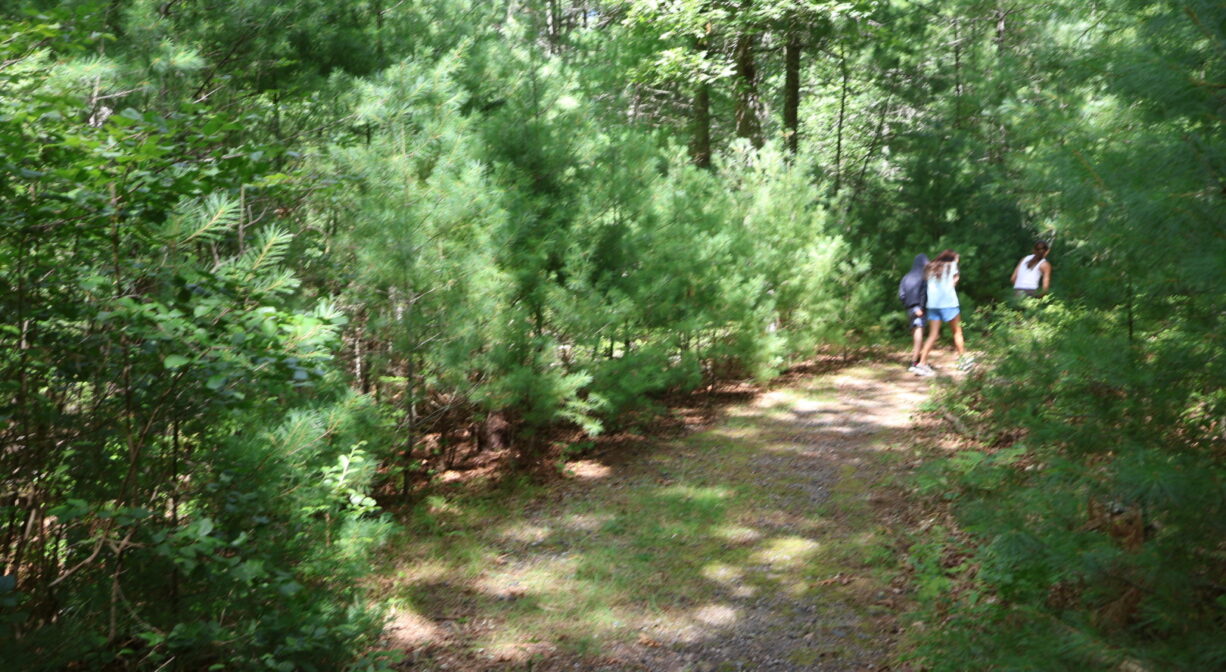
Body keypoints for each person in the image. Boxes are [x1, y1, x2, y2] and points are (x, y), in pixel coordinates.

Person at [916, 249, 971, 375]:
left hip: (933, 305)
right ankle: (963, 362)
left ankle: (922, 363)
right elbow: (953, 283)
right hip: (949, 304)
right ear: (952, 258)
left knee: (933, 335)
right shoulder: (952, 266)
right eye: (957, 259)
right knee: (957, 333)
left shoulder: (930, 267)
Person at [898, 254, 929, 375]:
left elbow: (901, 295)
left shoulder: (906, 277)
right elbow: (924, 294)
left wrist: (909, 306)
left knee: (915, 333)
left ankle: (919, 360)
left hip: (909, 309)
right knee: (918, 334)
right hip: (919, 309)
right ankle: (914, 363)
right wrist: (920, 307)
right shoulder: (922, 277)